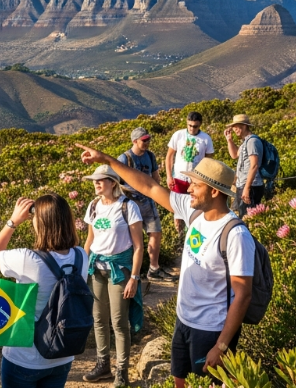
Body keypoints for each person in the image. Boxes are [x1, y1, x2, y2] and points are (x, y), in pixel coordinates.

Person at [76, 143, 254, 387]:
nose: (189, 188)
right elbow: (148, 186)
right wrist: (105, 157)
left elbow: (243, 295)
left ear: (213, 191)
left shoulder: (235, 234)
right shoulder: (194, 214)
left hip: (211, 330)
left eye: (196, 185)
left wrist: (221, 345)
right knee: (180, 381)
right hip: (184, 322)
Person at [0, 193, 88, 388]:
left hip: (25, 357)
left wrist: (13, 221)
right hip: (62, 355)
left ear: (41, 223)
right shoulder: (81, 256)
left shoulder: (28, 259)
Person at [81, 165, 144, 387]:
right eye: (94, 180)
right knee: (98, 319)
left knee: (119, 321)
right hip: (96, 269)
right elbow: (90, 241)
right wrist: (82, 268)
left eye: (100, 180)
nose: (96, 183)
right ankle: (103, 365)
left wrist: (134, 278)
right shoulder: (93, 206)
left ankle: (122, 371)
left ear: (113, 182)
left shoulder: (128, 207)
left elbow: (138, 247)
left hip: (120, 271)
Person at [117, 127, 175, 282]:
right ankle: (130, 270)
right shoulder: (124, 158)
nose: (148, 142)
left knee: (155, 233)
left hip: (148, 202)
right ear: (134, 141)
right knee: (132, 238)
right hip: (131, 204)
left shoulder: (150, 156)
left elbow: (155, 177)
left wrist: (158, 194)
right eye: (144, 140)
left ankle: (153, 268)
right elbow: (115, 181)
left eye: (149, 138)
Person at [166, 112, 215, 235]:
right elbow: (169, 157)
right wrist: (168, 176)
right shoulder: (178, 135)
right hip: (178, 177)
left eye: (195, 126)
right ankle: (179, 235)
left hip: (195, 180)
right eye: (190, 125)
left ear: (200, 125)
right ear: (187, 123)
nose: (192, 129)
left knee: (195, 207)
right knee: (177, 210)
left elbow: (209, 161)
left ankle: (191, 232)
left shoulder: (206, 139)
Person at [224, 114, 264, 218]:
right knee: (241, 215)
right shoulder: (245, 142)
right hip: (243, 185)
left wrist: (247, 188)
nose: (234, 129)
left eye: (237, 126)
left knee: (248, 218)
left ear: (245, 126)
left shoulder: (252, 141)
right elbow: (234, 155)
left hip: (252, 186)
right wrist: (229, 140)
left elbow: (254, 165)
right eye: (233, 127)